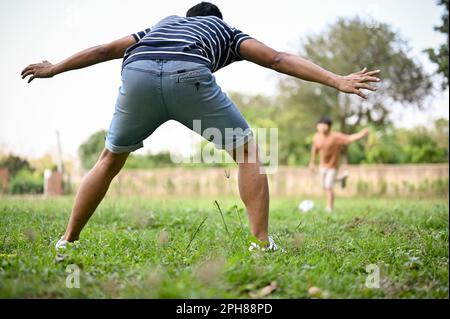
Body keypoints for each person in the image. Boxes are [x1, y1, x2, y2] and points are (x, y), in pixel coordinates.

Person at [21, 2, 380, 251]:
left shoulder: (162, 24)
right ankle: (261, 243)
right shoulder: (223, 28)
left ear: (187, 16)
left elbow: (103, 50)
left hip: (138, 74)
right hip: (189, 74)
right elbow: (277, 59)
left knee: (107, 161)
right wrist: (336, 80)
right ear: (216, 19)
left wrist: (55, 69)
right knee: (248, 152)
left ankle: (67, 241)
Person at [309, 116, 369, 212]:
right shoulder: (316, 137)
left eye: (323, 125)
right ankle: (341, 179)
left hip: (333, 166)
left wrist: (361, 134)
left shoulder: (336, 137)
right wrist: (312, 163)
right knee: (323, 185)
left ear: (329, 126)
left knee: (328, 186)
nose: (321, 127)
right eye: (319, 125)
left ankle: (329, 208)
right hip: (322, 165)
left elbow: (349, 138)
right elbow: (314, 150)